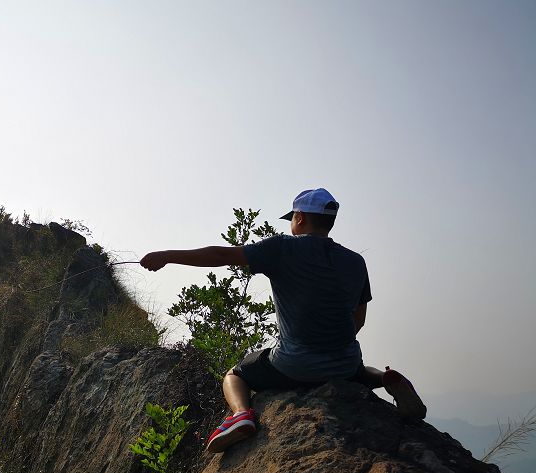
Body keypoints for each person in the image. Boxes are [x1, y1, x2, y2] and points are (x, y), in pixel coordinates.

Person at [139, 188, 426, 454]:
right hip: (344, 363)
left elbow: (220, 254)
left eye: (293, 218)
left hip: (295, 365)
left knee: (235, 374)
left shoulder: (282, 248)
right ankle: (386, 378)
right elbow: (358, 320)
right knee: (356, 367)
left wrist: (167, 255)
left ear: (299, 218)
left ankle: (240, 416)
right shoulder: (355, 261)